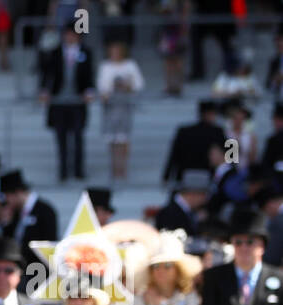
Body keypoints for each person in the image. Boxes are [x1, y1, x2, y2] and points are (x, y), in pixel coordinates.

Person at [38, 25, 96, 182]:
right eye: (67, 34)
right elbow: (47, 73)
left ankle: (78, 170)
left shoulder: (85, 52)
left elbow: (89, 74)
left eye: (73, 34)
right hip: (59, 101)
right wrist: (44, 90)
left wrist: (89, 90)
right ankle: (63, 170)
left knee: (78, 136)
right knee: (61, 137)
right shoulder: (55, 52)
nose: (70, 37)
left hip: (77, 101)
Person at [0, 168, 58, 279]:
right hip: (19, 271)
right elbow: (8, 241)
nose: (7, 202)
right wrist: (6, 223)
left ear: (16, 193)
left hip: (38, 272)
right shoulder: (15, 213)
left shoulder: (44, 211)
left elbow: (48, 244)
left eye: (7, 197)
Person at [97, 41, 144, 181]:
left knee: (124, 138)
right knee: (112, 138)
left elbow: (139, 84)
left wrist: (127, 85)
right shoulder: (105, 66)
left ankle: (123, 170)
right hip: (110, 107)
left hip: (125, 106)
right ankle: (114, 169)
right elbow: (101, 86)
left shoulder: (130, 65)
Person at [162, 100, 225, 184]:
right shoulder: (218, 131)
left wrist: (166, 176)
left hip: (185, 174)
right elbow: (228, 152)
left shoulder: (184, 131)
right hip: (209, 175)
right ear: (209, 114)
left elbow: (174, 156)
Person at [154, 170, 210, 234]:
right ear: (192, 194)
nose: (205, 199)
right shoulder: (168, 214)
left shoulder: (191, 212)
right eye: (204, 195)